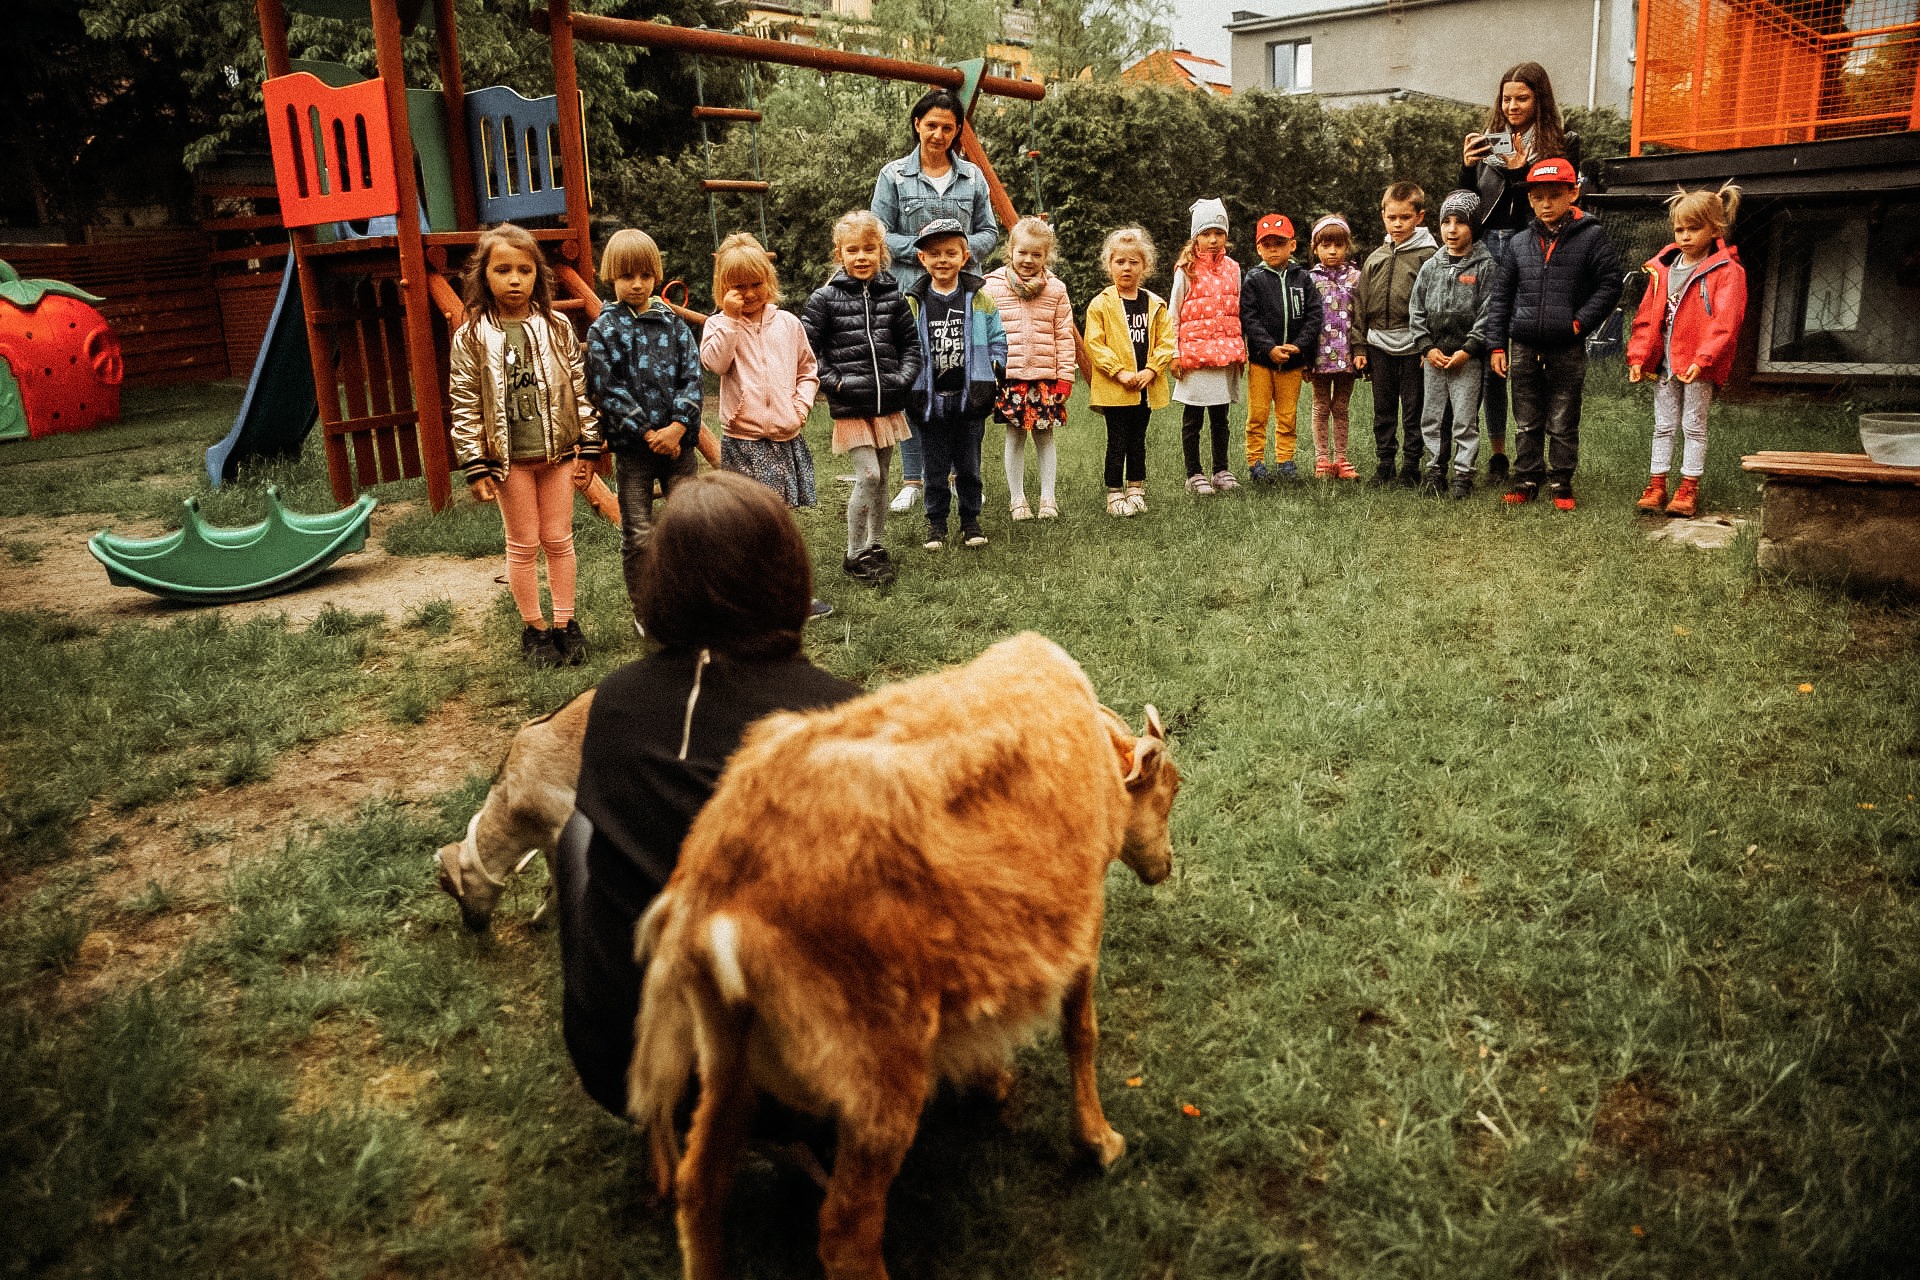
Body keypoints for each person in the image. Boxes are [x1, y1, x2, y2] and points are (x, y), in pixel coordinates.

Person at [559, 471, 861, 1118]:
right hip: (810, 1070)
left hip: (628, 1061)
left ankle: (611, 1003)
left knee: (577, 835)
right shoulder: (843, 717)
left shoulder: (614, 703)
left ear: (661, 583)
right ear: (789, 578)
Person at [448, 222, 602, 668]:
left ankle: (565, 624)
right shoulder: (472, 335)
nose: (514, 279)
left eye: (524, 270)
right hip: (508, 461)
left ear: (538, 275)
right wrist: (475, 463)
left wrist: (589, 448)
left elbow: (579, 386)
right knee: (523, 543)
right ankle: (534, 629)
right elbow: (463, 401)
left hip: (556, 456)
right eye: (502, 270)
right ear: (484, 276)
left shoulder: (556, 326)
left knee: (558, 539)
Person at [871, 88, 1002, 516]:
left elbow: (989, 231)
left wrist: (959, 252)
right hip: (911, 296)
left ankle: (968, 480)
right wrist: (926, 251)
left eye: (948, 127)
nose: (938, 134)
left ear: (957, 131)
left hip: (961, 297)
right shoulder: (894, 176)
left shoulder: (973, 178)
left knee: (966, 382)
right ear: (917, 125)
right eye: (931, 125)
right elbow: (878, 234)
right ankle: (914, 479)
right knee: (916, 381)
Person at [1460, 61, 1583, 482]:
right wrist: (1465, 166)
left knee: (1530, 357)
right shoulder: (1492, 141)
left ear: (1539, 99)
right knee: (1490, 349)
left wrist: (1518, 174)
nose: (1512, 105)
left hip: (1533, 248)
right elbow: (1470, 204)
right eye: (1506, 98)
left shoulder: (1561, 143)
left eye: (1522, 98)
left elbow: (1541, 206)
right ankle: (1498, 455)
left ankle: (1538, 456)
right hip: (1488, 245)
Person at [1485, 157, 1623, 510]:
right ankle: (1526, 478)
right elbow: (1501, 296)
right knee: (1526, 418)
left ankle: (1562, 482)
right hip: (1525, 342)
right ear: (1530, 200)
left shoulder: (1591, 236)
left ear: (1572, 193)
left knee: (1562, 418)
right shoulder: (1518, 243)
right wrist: (1497, 344)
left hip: (1567, 344)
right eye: (1538, 197)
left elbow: (1609, 285)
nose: (1546, 204)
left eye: (1554, 195)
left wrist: (1578, 323)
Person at [584, 228, 702, 621]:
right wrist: (648, 432)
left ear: (656, 276)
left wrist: (677, 428)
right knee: (638, 533)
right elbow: (606, 387)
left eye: (645, 276)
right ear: (611, 277)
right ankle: (646, 610)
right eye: (627, 276)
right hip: (634, 450)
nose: (637, 284)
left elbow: (693, 378)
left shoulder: (675, 326)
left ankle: (693, 603)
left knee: (689, 526)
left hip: (679, 446)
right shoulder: (604, 329)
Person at [800, 209, 922, 586]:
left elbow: (911, 346)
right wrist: (834, 382)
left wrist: (903, 378)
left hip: (887, 402)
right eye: (853, 250)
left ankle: (876, 545)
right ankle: (853, 554)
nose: (862, 257)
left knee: (883, 477)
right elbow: (807, 349)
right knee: (867, 474)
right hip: (851, 403)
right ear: (840, 253)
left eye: (869, 249)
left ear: (880, 250)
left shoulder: (893, 296)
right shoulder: (825, 299)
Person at [1627, 183, 1747, 519]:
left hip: (1697, 364)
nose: (1685, 236)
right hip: (1665, 363)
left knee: (1693, 425)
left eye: (1694, 229)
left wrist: (1703, 359)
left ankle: (1688, 487)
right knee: (1663, 424)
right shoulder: (1662, 269)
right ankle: (1657, 483)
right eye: (1679, 229)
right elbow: (1645, 317)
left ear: (1715, 228)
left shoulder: (1728, 273)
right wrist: (1638, 357)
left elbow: (1726, 322)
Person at [903, 218, 1006, 550]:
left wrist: (995, 366)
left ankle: (970, 521)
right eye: (934, 254)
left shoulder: (979, 298)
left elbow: (997, 338)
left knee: (969, 465)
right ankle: (936, 525)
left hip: (969, 396)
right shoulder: (913, 302)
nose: (942, 260)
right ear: (922, 259)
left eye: (950, 253)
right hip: (929, 397)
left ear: (965, 257)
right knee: (934, 467)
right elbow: (904, 346)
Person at [701, 232, 820, 510]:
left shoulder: (788, 323)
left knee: (779, 510)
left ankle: (775, 554)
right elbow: (715, 364)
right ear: (724, 288)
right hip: (743, 438)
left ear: (770, 282)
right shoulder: (718, 325)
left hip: (783, 435)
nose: (750, 293)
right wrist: (731, 320)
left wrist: (800, 408)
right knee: (747, 510)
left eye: (757, 284)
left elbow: (808, 371)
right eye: (739, 287)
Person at [983, 215, 1076, 520]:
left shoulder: (1056, 289)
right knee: (1014, 437)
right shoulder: (991, 287)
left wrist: (1065, 377)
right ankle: (1018, 499)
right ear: (1010, 250)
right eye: (1022, 252)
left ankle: (1048, 499)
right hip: (1010, 378)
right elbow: (983, 333)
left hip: (1045, 378)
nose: (1028, 259)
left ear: (1045, 256)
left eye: (1036, 254)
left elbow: (1064, 335)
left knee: (1045, 437)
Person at [1408, 190, 1498, 499]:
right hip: (1434, 357)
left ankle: (1463, 473)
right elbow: (1416, 308)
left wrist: (1469, 348)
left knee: (1464, 419)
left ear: (1473, 227)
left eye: (1460, 222)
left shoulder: (1485, 267)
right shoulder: (1431, 266)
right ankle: (1435, 469)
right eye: (1446, 221)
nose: (1452, 229)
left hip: (1466, 358)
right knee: (1431, 416)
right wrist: (1426, 346)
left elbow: (1489, 312)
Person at [1084, 225, 1175, 516]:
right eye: (1120, 262)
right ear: (1109, 265)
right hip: (1116, 388)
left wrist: (1151, 370)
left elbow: (1166, 342)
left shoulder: (1155, 304)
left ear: (1144, 266)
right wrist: (1119, 372)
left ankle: (1136, 488)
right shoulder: (1100, 304)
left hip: (1144, 388)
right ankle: (1114, 493)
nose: (1126, 268)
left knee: (1138, 440)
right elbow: (1095, 344)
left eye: (1133, 262)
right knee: (1117, 440)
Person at [1354, 182, 1439, 488]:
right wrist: (1359, 347)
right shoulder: (1375, 257)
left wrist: (1428, 345)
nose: (1398, 224)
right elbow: (1360, 306)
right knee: (1384, 409)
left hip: (1414, 345)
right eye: (1392, 218)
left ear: (1420, 216)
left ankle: (1412, 466)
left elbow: (1436, 305)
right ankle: (1385, 462)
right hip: (1379, 344)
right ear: (1383, 216)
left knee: (1414, 409)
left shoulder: (1430, 255)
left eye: (1405, 217)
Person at [1171, 198, 1248, 496]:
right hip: (1194, 357)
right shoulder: (1185, 270)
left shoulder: (1233, 269)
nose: (1213, 239)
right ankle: (1194, 473)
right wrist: (1174, 355)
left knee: (1220, 418)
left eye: (1219, 232)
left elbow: (1237, 312)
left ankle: (1221, 469)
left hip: (1224, 356)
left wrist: (1239, 351)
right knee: (1193, 419)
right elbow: (1173, 314)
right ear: (1196, 237)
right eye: (1206, 233)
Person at [1240, 213, 1322, 483]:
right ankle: (1256, 462)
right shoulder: (1254, 279)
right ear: (1258, 248)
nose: (1273, 248)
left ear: (1293, 245)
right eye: (1267, 244)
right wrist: (1268, 348)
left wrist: (1299, 347)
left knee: (1287, 416)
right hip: (1262, 362)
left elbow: (1314, 316)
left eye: (1279, 242)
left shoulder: (1303, 279)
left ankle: (1286, 461)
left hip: (1293, 362)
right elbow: (1249, 318)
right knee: (1258, 415)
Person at [1307, 214, 1362, 480]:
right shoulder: (1309, 280)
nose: (1332, 251)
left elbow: (1362, 317)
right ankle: (1322, 461)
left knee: (1341, 406)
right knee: (1320, 405)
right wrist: (1305, 358)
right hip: (1318, 356)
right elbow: (1304, 322)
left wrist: (1362, 352)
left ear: (1346, 246)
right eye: (1325, 245)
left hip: (1347, 355)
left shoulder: (1356, 277)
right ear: (1315, 248)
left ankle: (1341, 459)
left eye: (1338, 245)